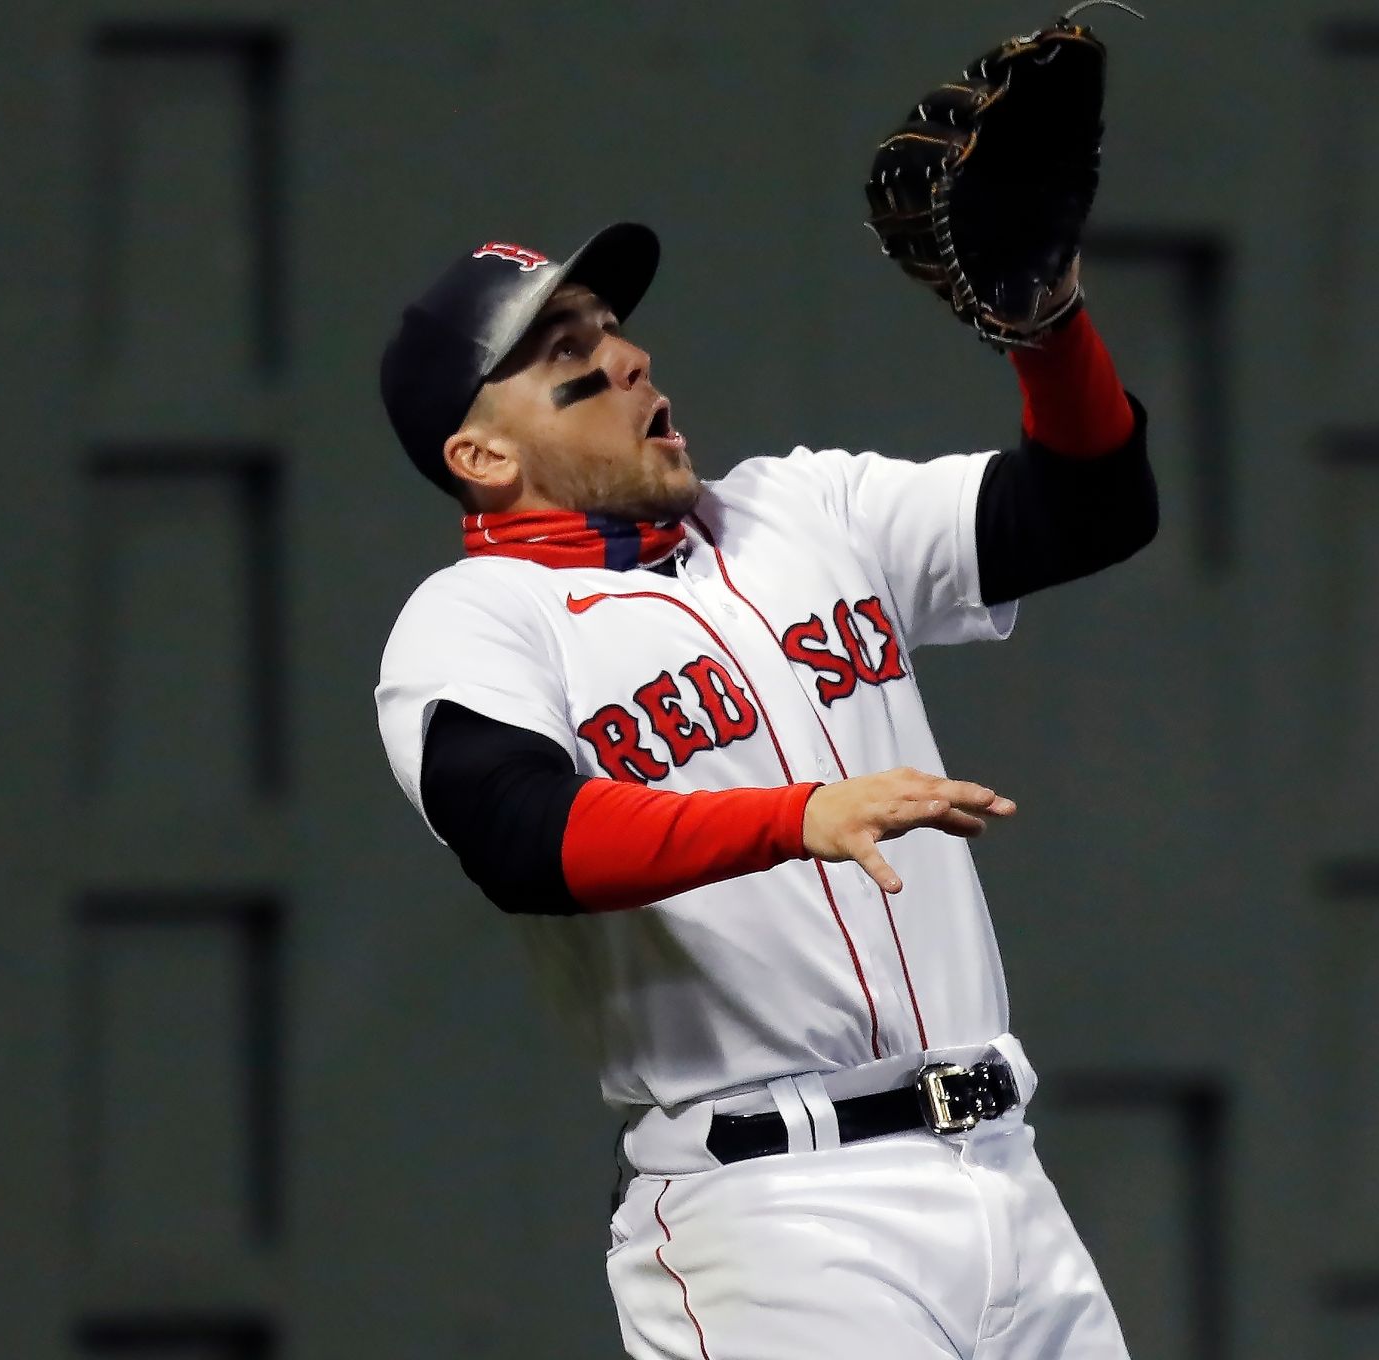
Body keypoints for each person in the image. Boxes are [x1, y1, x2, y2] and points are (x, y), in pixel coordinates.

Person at [375, 222, 1155, 1359]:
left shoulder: (803, 511)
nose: (630, 359)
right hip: (776, 1214)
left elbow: (1093, 505)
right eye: (564, 353)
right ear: (485, 457)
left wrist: (1047, 325)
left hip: (1005, 1176)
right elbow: (518, 833)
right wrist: (796, 816)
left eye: (615, 328)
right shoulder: (479, 617)